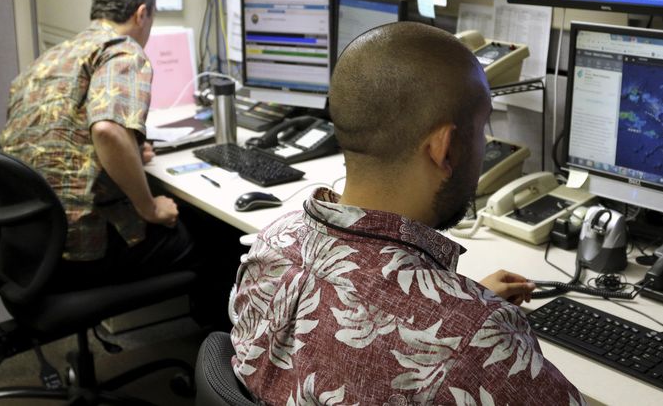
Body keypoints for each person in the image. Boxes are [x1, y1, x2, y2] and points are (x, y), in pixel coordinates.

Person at [229, 22, 583, 404]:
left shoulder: (272, 245)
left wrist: (459, 306)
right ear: (445, 148)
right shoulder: (476, 339)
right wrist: (471, 319)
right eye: (481, 129)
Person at [0, 0, 194, 288]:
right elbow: (106, 130)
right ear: (141, 14)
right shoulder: (123, 50)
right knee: (205, 234)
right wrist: (150, 209)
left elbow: (60, 140)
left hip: (29, 244)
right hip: (80, 248)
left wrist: (129, 151)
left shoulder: (51, 58)